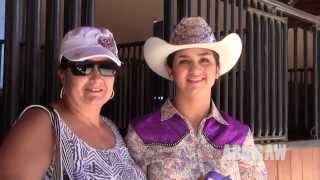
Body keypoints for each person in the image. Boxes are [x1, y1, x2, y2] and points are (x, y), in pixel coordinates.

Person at [125, 17, 267, 180]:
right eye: (184, 61)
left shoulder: (240, 135)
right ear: (171, 70)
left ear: (217, 70)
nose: (195, 69)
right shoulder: (142, 132)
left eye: (205, 60)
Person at [0, 27, 146, 180]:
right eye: (83, 67)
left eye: (107, 68)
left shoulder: (110, 127)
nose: (97, 77)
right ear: (62, 75)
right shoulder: (43, 124)